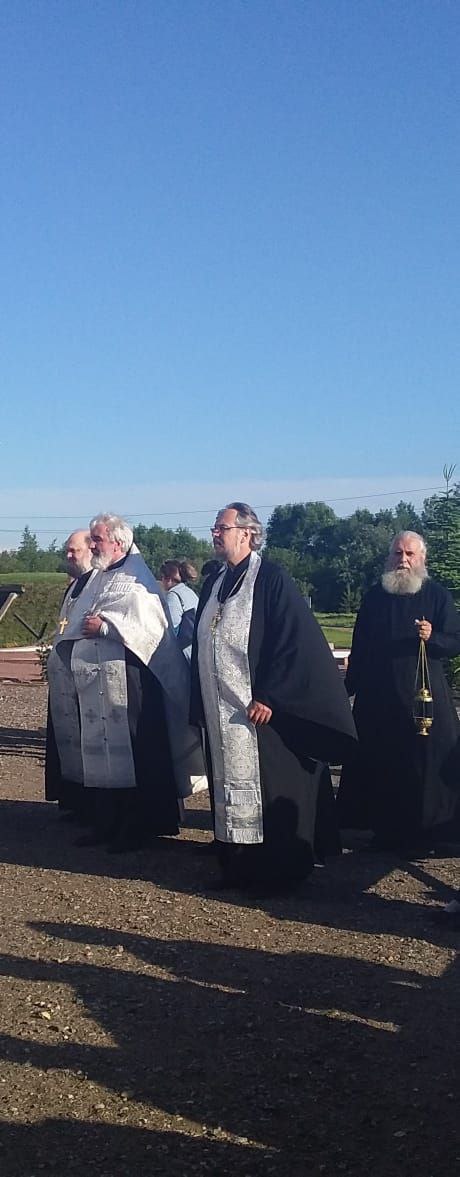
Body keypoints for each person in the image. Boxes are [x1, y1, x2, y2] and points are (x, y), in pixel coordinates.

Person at [190, 502, 357, 893]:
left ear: (248, 533)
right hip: (221, 709)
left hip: (259, 712)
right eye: (215, 527)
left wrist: (269, 695)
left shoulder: (270, 579)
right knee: (227, 788)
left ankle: (276, 873)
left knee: (269, 790)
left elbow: (293, 641)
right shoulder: (215, 581)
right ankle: (235, 867)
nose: (215, 534)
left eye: (222, 528)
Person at [49, 513, 205, 852]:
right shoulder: (99, 578)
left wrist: (106, 628)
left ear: (118, 542)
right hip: (97, 686)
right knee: (102, 756)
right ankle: (106, 823)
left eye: (97, 539)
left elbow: (149, 630)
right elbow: (78, 621)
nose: (93, 545)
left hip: (131, 684)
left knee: (134, 756)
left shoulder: (138, 581)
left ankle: (136, 827)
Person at [337, 531, 460, 853]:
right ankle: (384, 830)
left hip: (424, 700)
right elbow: (361, 647)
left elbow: (454, 641)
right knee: (382, 764)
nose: (402, 560)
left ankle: (430, 834)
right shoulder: (375, 597)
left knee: (426, 767)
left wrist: (433, 637)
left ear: (422, 559)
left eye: (409, 554)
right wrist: (343, 691)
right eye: (397, 553)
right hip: (379, 698)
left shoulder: (437, 596)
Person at [45, 529, 96, 817]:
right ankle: (74, 799)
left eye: (73, 550)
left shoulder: (98, 584)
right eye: (67, 550)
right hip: (64, 677)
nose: (68, 555)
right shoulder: (74, 586)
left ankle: (91, 804)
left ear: (90, 550)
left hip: (86, 678)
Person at [158, 559, 199, 661]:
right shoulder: (189, 592)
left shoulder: (173, 596)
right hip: (196, 647)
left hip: (184, 652)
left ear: (168, 579)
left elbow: (171, 625)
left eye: (162, 577)